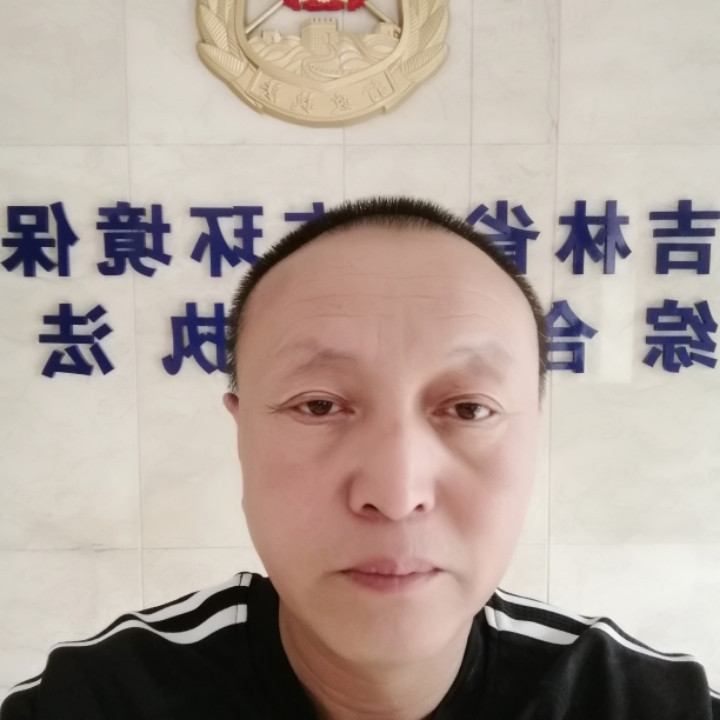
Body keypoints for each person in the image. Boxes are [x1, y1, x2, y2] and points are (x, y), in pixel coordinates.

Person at [1, 197, 718, 719]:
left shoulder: (641, 705)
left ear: (533, 436)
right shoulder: (99, 703)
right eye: (318, 405)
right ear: (240, 435)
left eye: (469, 409)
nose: (397, 492)